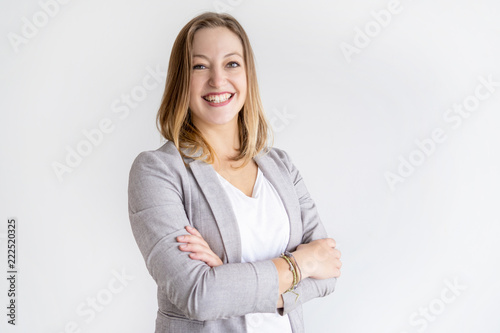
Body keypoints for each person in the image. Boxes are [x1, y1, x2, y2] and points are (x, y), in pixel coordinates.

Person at [128, 11, 342, 333]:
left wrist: (230, 279)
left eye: (231, 64)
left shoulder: (281, 167)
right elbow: (201, 295)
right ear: (180, 80)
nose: (217, 80)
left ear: (247, 75)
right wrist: (302, 263)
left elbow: (330, 270)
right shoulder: (158, 172)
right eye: (200, 66)